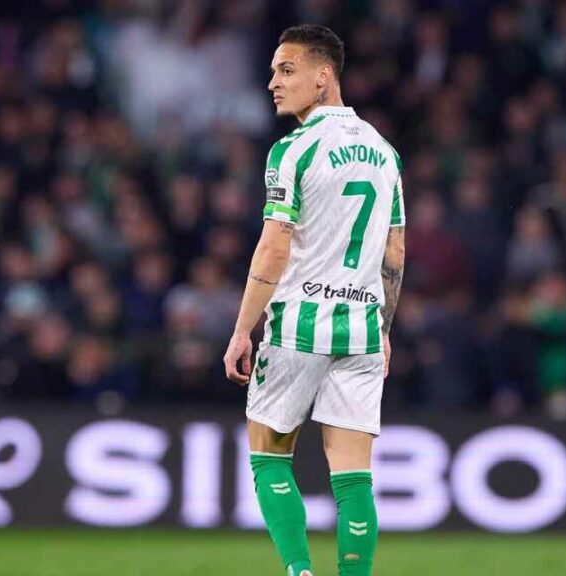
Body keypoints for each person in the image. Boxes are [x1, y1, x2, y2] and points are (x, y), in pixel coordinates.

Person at [223, 24, 405, 576]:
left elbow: (274, 247)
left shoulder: (293, 150)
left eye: (287, 70)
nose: (273, 83)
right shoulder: (384, 152)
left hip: (300, 322)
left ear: (324, 77)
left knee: (268, 456)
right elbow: (394, 251)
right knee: (353, 474)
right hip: (361, 327)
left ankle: (300, 572)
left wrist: (240, 331)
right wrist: (385, 327)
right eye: (274, 71)